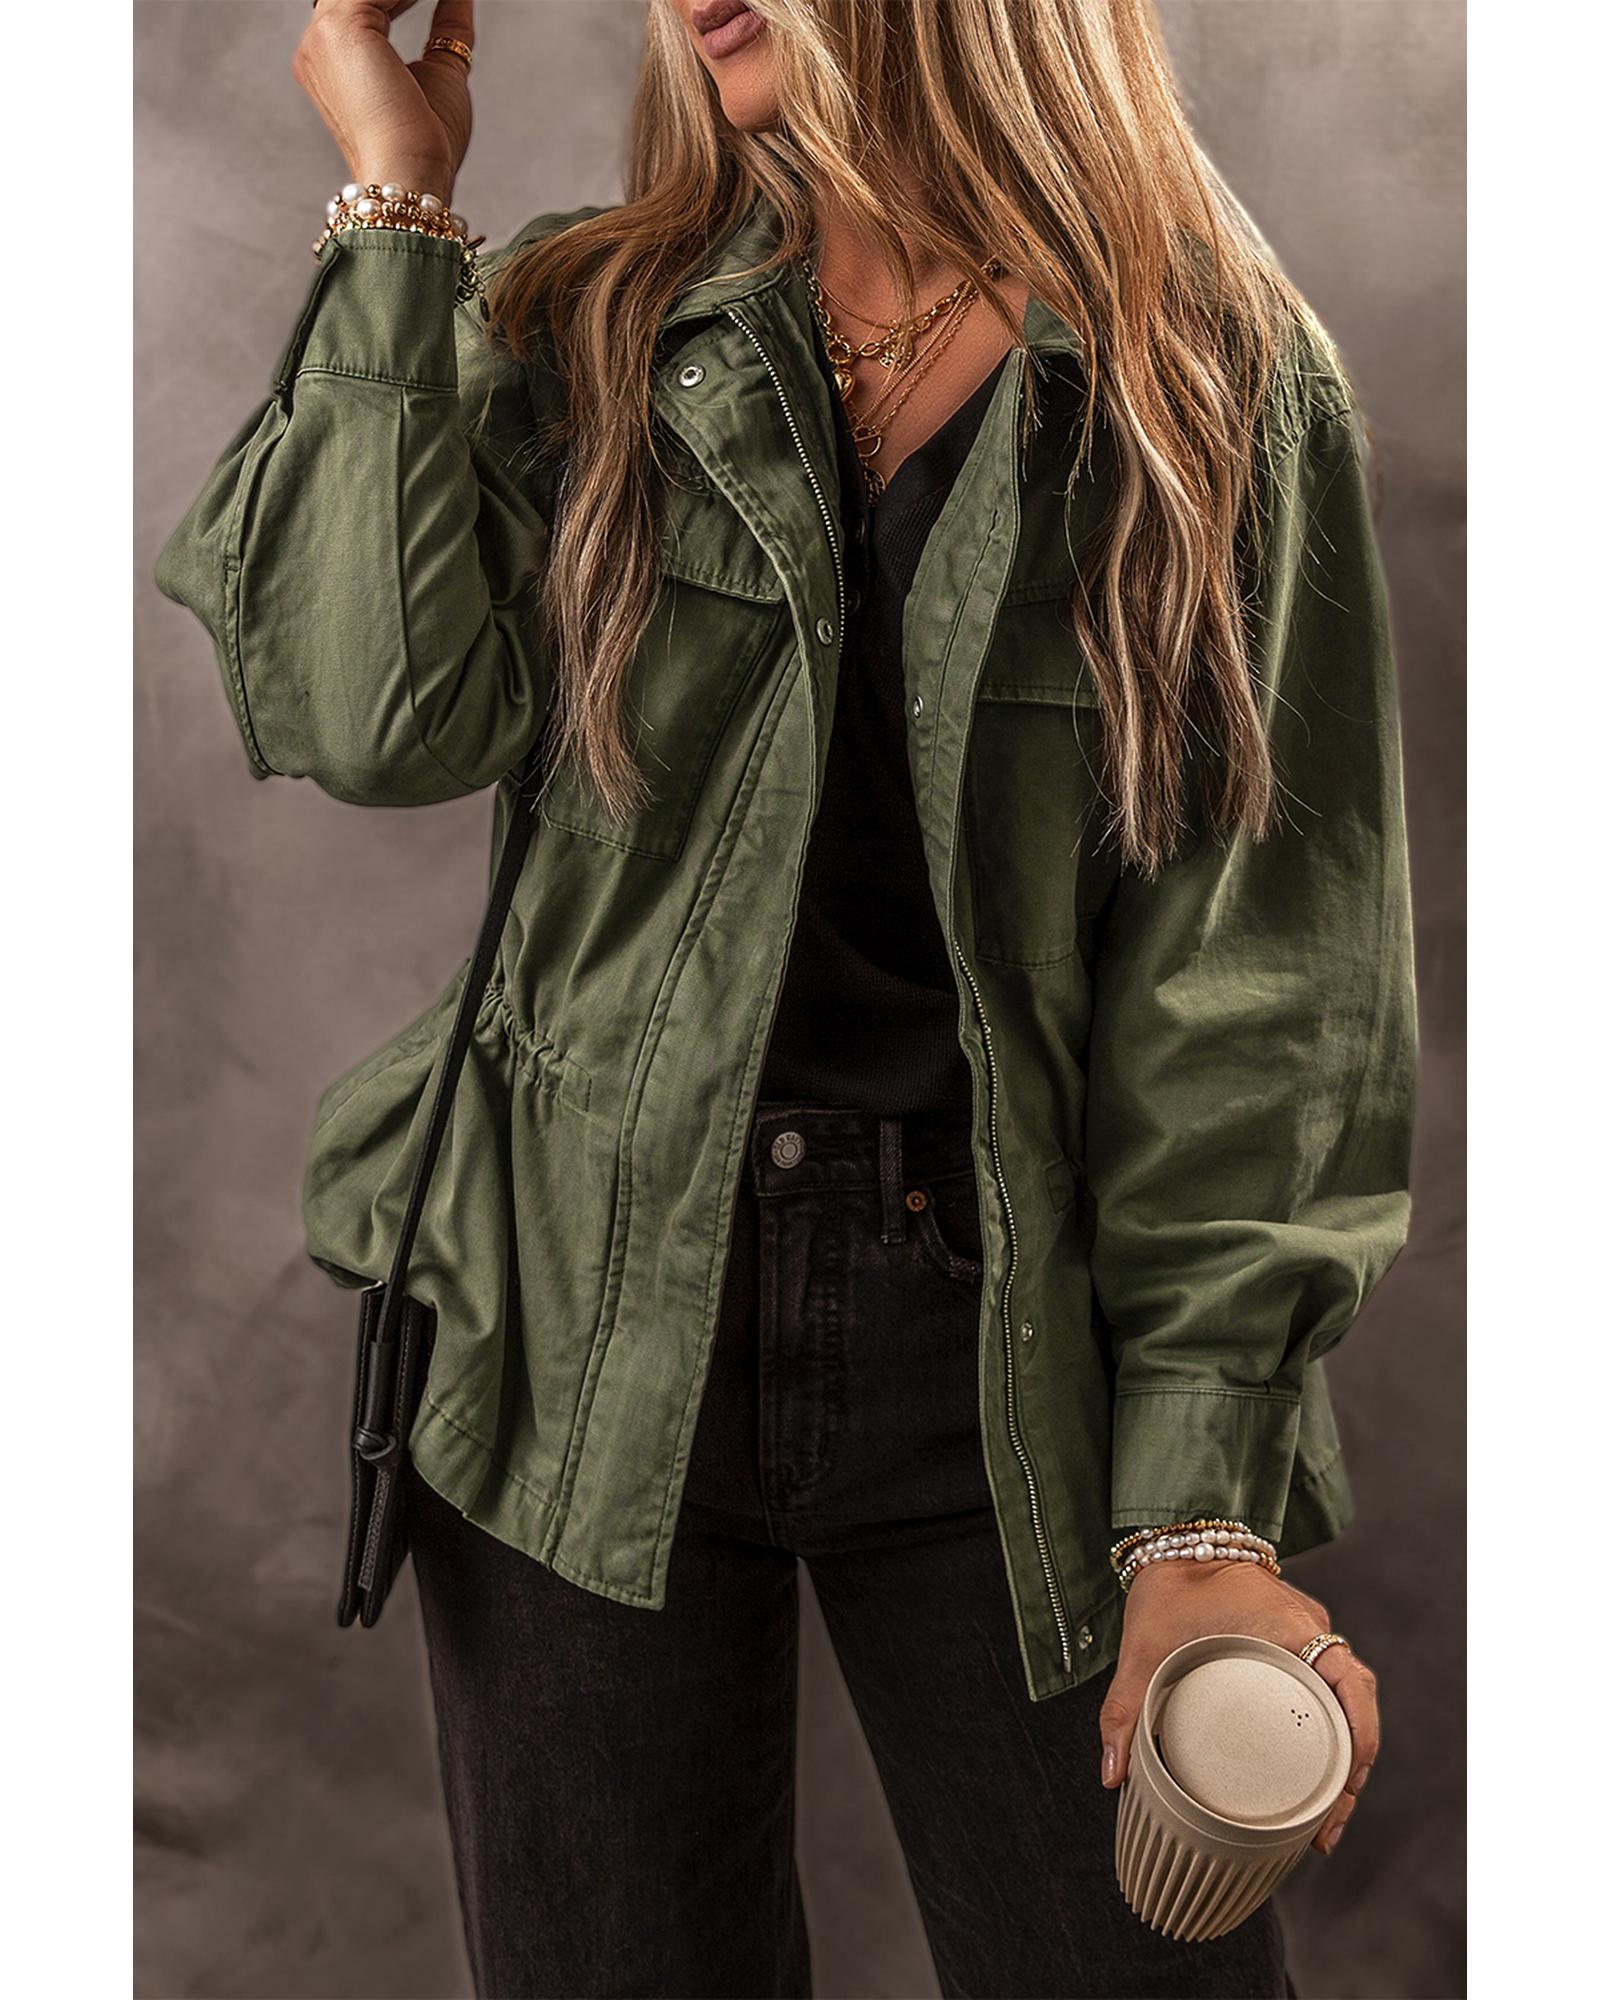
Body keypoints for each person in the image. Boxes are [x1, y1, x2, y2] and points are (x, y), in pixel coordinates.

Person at [153, 3, 1417, 1994]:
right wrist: (397, 207)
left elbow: (1259, 990)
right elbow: (366, 712)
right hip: (573, 1307)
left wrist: (1195, 1516)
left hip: (1005, 1340)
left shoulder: (1209, 377)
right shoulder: (589, 321)